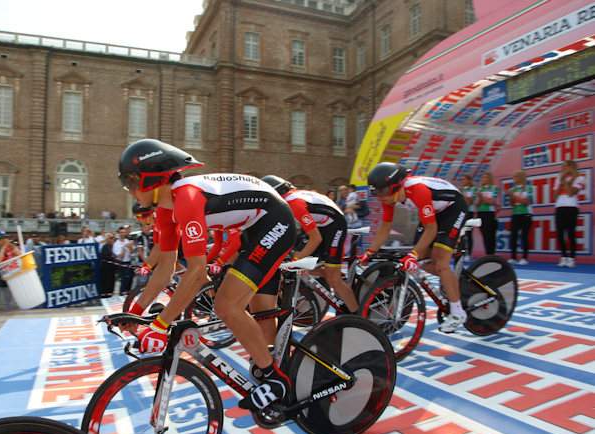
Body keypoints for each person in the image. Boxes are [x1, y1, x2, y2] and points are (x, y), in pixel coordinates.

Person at [118, 139, 295, 412]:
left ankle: (276, 381)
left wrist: (160, 325)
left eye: (131, 182)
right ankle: (272, 362)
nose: (129, 191)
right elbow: (165, 269)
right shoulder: (165, 211)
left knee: (226, 304)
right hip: (252, 228)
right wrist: (136, 311)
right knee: (252, 311)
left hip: (275, 220)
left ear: (153, 179)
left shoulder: (187, 198)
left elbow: (197, 274)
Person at [361, 162, 468, 334]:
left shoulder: (418, 190)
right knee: (419, 261)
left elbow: (431, 229)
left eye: (382, 192)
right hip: (433, 211)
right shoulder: (389, 196)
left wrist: (414, 253)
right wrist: (370, 252)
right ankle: (450, 280)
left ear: (396, 186)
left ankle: (457, 313)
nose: (379, 197)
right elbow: (384, 229)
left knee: (439, 262)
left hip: (453, 209)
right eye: (375, 193)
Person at [262, 175, 358, 313]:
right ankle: (332, 272)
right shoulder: (287, 201)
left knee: (333, 280)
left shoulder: (294, 204)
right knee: (297, 260)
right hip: (320, 224)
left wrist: (296, 261)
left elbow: (316, 239)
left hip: (335, 225)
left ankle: (358, 316)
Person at [554, 159, 585, 267]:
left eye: (566, 166)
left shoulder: (579, 178)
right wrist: (561, 180)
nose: (564, 168)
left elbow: (571, 192)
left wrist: (565, 181)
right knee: (560, 234)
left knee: (570, 233)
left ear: (572, 166)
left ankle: (572, 258)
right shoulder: (559, 178)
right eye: (563, 166)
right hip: (559, 208)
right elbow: (554, 196)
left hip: (571, 207)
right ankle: (564, 257)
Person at [0, 231, 22, 311]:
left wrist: (14, 248)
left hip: (8, 277)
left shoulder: (9, 249)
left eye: (7, 238)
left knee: (8, 301)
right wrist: (3, 248)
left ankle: (8, 316)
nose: (6, 240)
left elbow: (22, 255)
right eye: (4, 238)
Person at [506, 170, 534, 265]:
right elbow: (512, 204)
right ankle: (513, 257)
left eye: (516, 176)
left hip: (526, 213)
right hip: (515, 214)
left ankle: (524, 258)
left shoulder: (528, 188)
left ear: (520, 177)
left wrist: (513, 195)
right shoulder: (513, 189)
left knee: (524, 235)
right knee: (513, 235)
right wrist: (510, 197)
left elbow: (526, 202)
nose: (514, 178)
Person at [476, 171, 498, 255]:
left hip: (489, 212)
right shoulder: (480, 189)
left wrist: (483, 197)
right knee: (484, 234)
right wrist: (478, 198)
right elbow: (477, 204)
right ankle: (487, 253)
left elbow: (492, 202)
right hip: (481, 212)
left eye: (485, 177)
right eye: (482, 177)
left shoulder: (494, 188)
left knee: (490, 234)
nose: (483, 179)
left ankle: (491, 253)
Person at [459, 173, 476, 262]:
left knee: (469, 234)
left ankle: (469, 253)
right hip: (462, 212)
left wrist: (462, 194)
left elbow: (469, 202)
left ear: (469, 180)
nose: (462, 181)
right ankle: (462, 252)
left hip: (470, 212)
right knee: (462, 234)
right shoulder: (461, 190)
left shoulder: (473, 189)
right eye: (462, 179)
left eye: (464, 179)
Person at [113, 225, 135, 294]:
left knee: (129, 280)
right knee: (123, 280)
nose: (123, 234)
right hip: (122, 263)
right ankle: (122, 293)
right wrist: (126, 248)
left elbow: (132, 252)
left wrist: (131, 247)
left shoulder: (127, 241)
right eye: (121, 232)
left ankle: (128, 293)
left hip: (129, 262)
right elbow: (119, 256)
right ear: (119, 233)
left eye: (124, 232)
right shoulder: (116, 244)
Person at [100, 232, 118, 296]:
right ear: (107, 239)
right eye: (111, 238)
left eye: (114, 238)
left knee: (112, 282)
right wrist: (113, 257)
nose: (113, 239)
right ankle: (106, 294)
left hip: (112, 267)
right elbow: (104, 257)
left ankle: (110, 293)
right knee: (107, 282)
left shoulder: (113, 246)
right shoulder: (105, 246)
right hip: (106, 268)